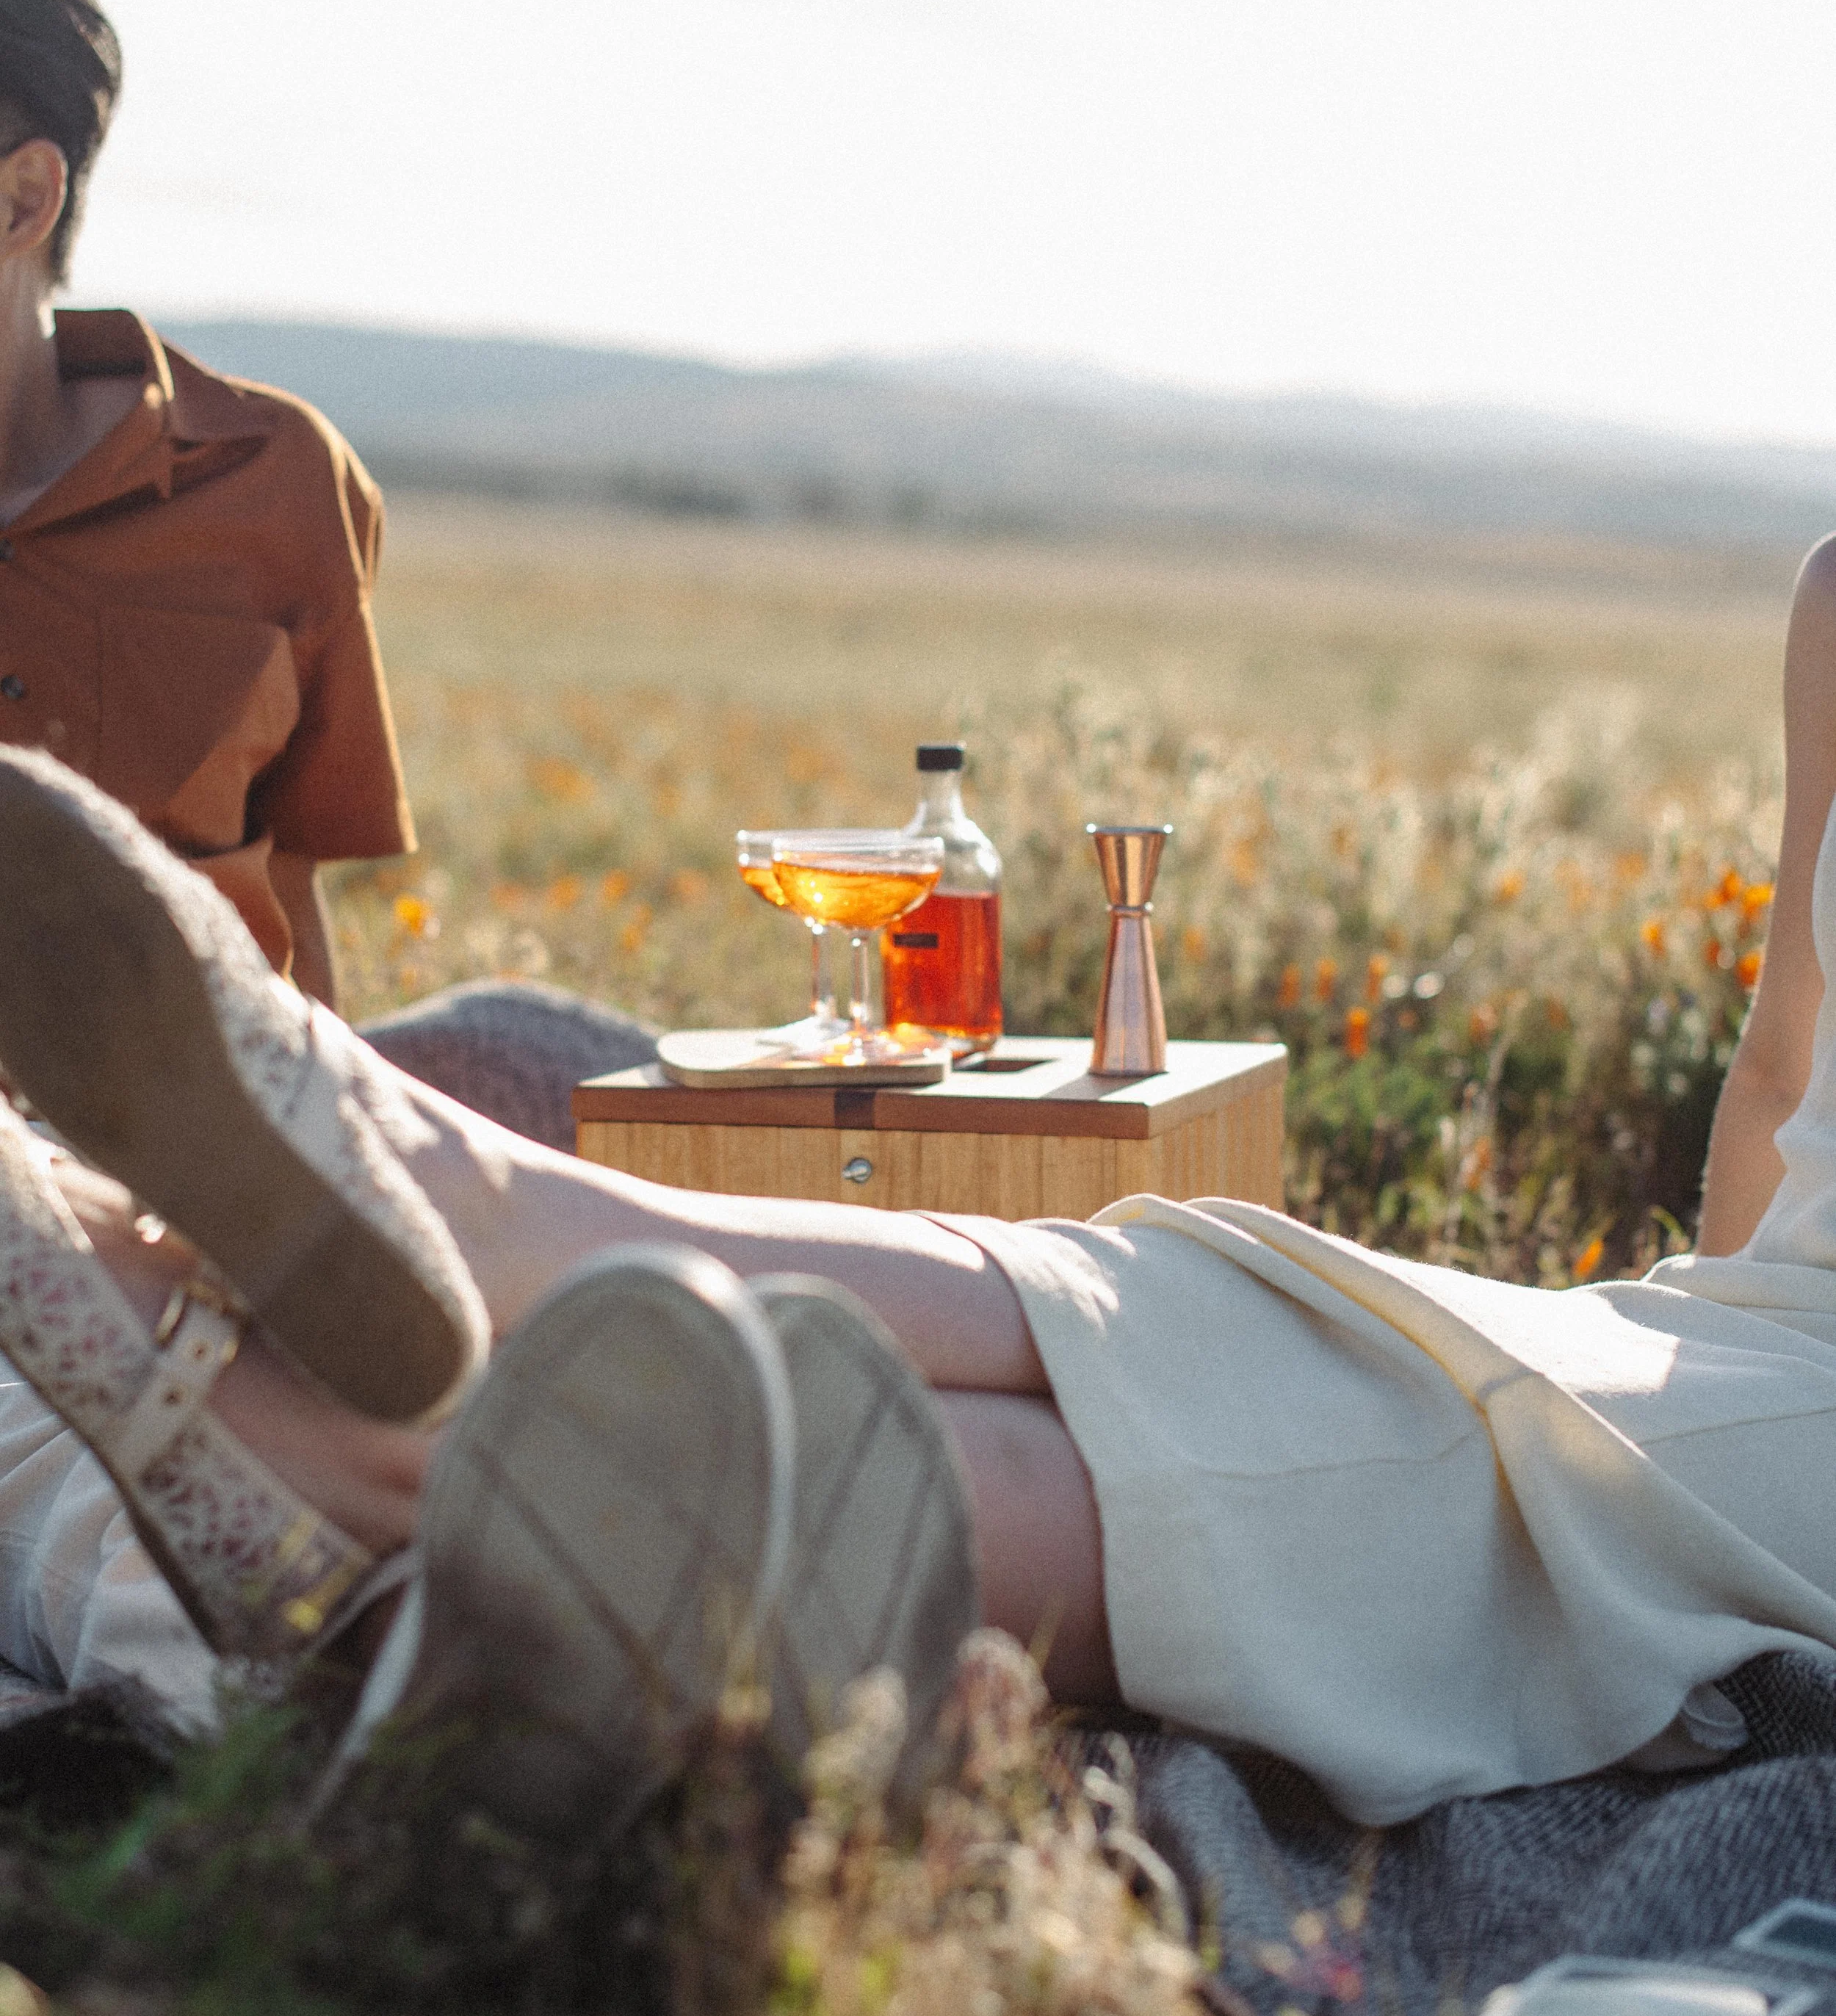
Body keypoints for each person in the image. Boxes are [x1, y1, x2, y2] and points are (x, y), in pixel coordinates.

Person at [7, 579, 1836, 1842]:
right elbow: (1776, 1070)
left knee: (1404, 1485)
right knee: (1233, 1309)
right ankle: (372, 1290)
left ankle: (329, 1355)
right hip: (1751, 1315)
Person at [0, 0, 653, 1144]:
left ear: (23, 199)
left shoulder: (276, 481)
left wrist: (337, 1205)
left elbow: (290, 884)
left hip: (210, 1181)